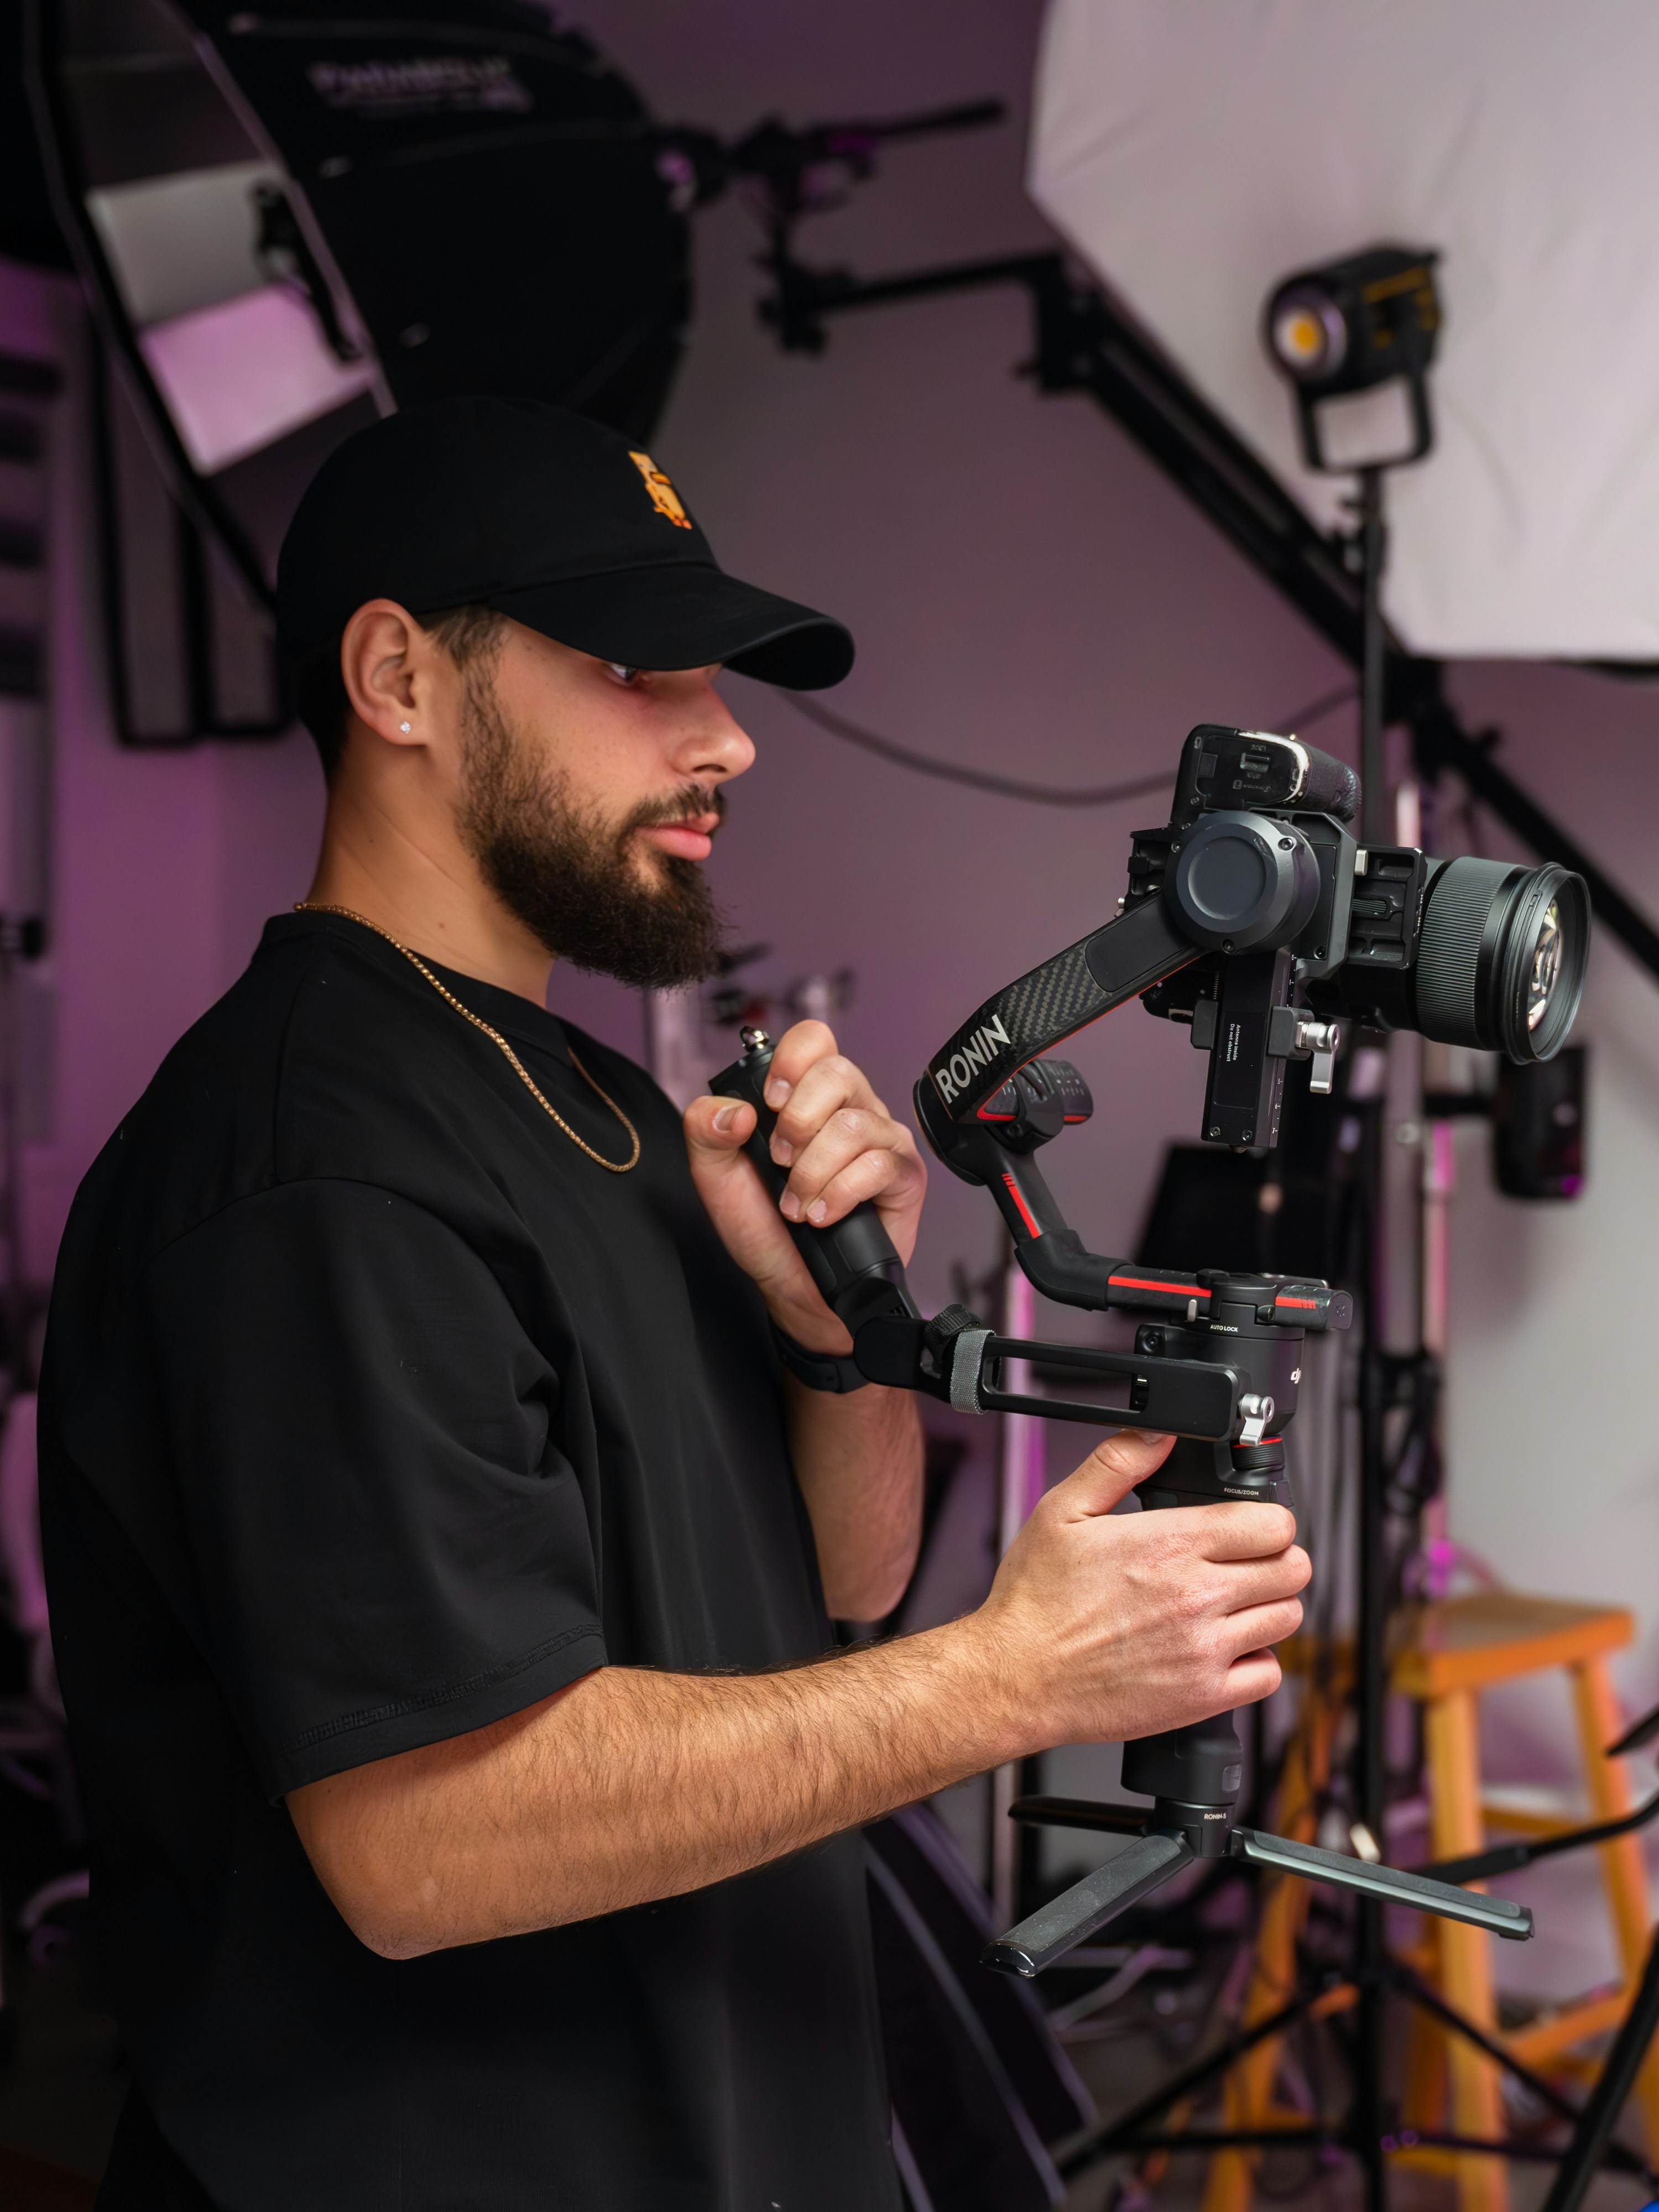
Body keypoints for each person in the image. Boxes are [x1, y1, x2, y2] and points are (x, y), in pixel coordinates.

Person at [39, 398, 1310, 2211]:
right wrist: (1016, 1676)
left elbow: (840, 1582)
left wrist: (835, 1334)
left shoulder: (615, 1109)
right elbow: (427, 1840)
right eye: (637, 670)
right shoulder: (310, 1172)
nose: (727, 739)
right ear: (399, 679)